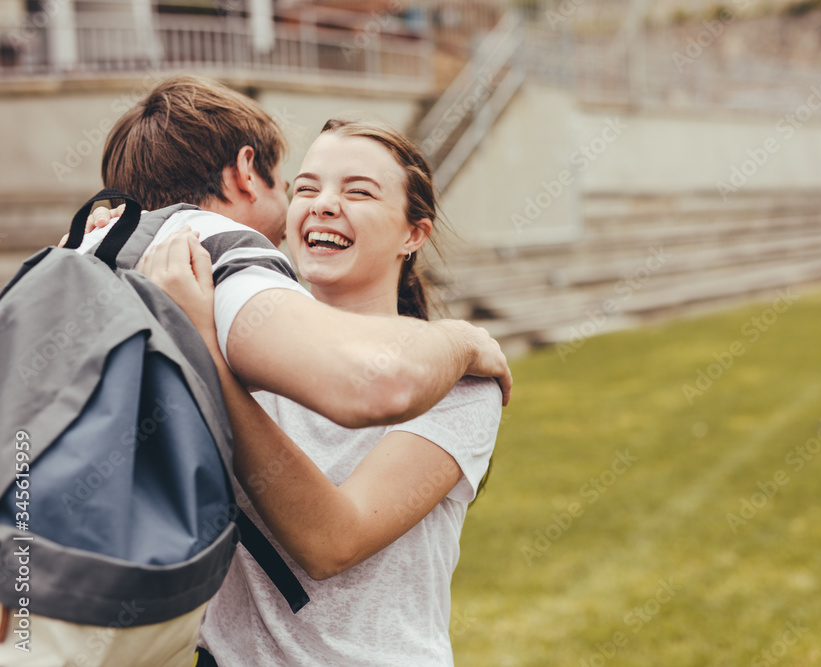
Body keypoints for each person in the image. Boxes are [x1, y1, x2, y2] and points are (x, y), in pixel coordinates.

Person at [33, 75, 508, 666]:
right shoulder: (228, 324)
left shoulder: (461, 381)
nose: (323, 203)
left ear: (414, 233)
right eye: (306, 185)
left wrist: (200, 348)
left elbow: (332, 542)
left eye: (358, 191)